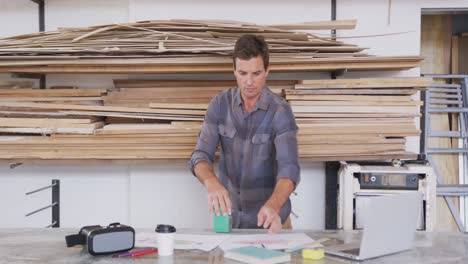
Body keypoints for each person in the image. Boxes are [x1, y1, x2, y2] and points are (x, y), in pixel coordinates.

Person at [189, 34, 300, 234]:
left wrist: (274, 205)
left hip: (273, 222)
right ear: (234, 70)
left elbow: (289, 170)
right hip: (232, 223)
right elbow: (200, 155)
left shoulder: (280, 111)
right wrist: (211, 183)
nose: (249, 82)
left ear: (267, 70)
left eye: (256, 73)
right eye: (242, 73)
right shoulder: (220, 105)